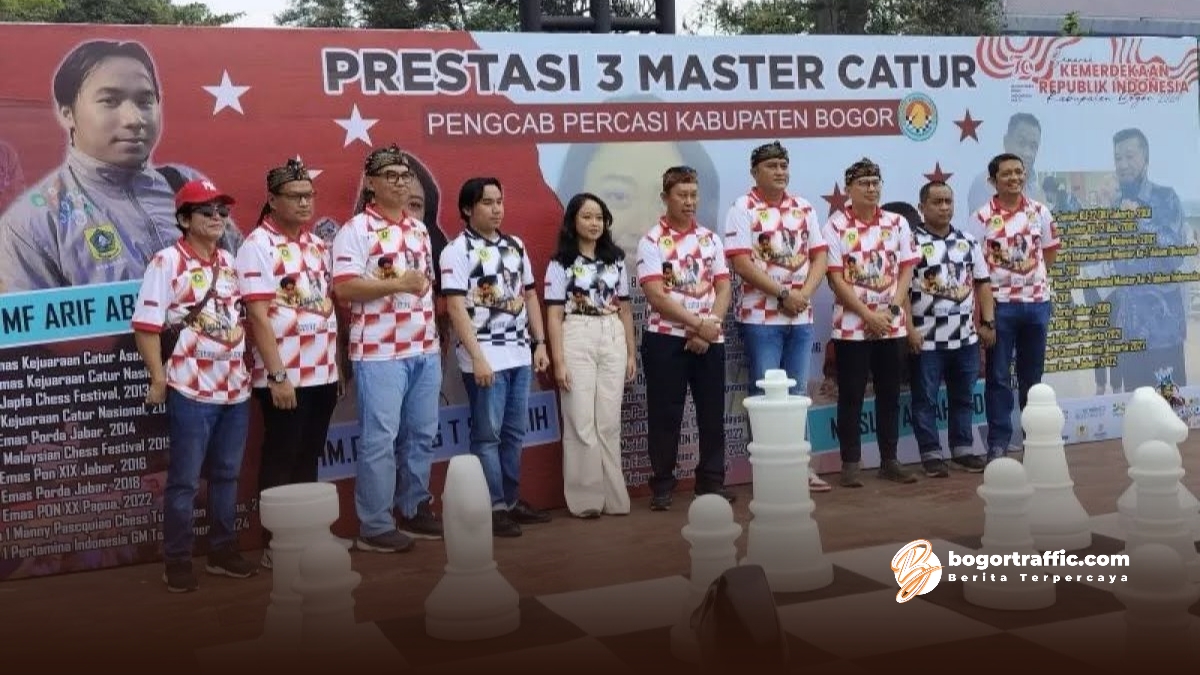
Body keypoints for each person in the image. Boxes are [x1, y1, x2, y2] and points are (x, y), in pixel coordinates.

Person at [0, 39, 241, 292]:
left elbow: (242, 278)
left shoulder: (185, 184)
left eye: (144, 101)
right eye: (110, 101)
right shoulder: (33, 223)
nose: (134, 119)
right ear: (67, 112)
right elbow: (30, 315)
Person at [130, 178, 256, 592]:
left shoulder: (229, 261)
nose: (218, 218)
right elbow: (146, 327)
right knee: (184, 480)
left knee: (226, 474)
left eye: (222, 211)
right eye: (207, 211)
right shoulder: (166, 261)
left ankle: (222, 551)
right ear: (184, 220)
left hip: (235, 388)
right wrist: (158, 377)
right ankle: (178, 560)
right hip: (190, 387)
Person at [332, 145, 445, 553]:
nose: (401, 182)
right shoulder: (356, 230)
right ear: (371, 184)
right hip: (379, 353)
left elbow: (426, 288)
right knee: (380, 439)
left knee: (422, 434)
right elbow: (344, 288)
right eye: (391, 175)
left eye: (405, 175)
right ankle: (375, 524)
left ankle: (413, 507)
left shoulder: (418, 230)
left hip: (424, 348)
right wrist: (397, 284)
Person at [234, 159, 345, 568]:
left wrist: (335, 365)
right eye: (295, 196)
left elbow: (326, 307)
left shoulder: (316, 244)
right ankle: (277, 543)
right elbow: (258, 317)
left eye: (309, 196)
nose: (304, 203)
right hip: (285, 375)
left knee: (309, 454)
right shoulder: (256, 246)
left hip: (322, 372)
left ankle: (308, 533)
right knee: (282, 456)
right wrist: (278, 375)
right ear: (272, 200)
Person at [440, 177, 552, 537]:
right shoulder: (457, 250)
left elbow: (530, 295)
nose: (497, 209)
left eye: (499, 201)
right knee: (487, 435)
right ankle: (494, 506)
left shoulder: (515, 245)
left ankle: (512, 499)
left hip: (519, 353)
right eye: (487, 202)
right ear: (467, 209)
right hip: (484, 356)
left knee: (514, 432)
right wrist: (477, 357)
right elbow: (455, 307)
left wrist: (540, 343)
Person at [722, 141, 830, 493]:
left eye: (783, 165)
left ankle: (800, 468)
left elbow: (820, 256)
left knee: (797, 393)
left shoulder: (804, 207)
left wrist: (802, 295)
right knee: (765, 394)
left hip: (800, 316)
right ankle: (768, 471)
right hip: (760, 318)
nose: (780, 171)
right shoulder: (742, 208)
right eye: (772, 166)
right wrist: (783, 294)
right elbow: (741, 263)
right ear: (755, 172)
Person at [636, 165, 733, 511]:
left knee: (712, 414)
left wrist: (711, 325)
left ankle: (711, 482)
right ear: (665, 197)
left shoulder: (710, 239)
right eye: (682, 195)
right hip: (666, 340)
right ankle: (663, 485)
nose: (689, 201)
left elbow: (723, 287)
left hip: (709, 337)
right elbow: (656, 295)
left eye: (693, 195)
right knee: (665, 415)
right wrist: (697, 325)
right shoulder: (651, 241)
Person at [823, 158, 919, 487]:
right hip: (852, 325)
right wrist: (867, 315)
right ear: (849, 188)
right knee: (851, 394)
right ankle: (850, 463)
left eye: (876, 182)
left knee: (889, 393)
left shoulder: (897, 223)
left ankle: (889, 460)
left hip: (891, 322)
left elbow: (906, 269)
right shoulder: (835, 226)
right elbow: (835, 278)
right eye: (863, 183)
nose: (871, 188)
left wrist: (891, 311)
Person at [544, 192, 636, 518]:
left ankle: (615, 499)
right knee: (581, 421)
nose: (594, 223)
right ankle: (586, 500)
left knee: (609, 423)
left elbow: (626, 309)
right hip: (576, 332)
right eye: (587, 217)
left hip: (612, 334)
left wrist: (631, 353)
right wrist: (559, 361)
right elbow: (554, 314)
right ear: (573, 221)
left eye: (599, 217)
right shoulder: (560, 264)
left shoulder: (616, 260)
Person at [972, 152, 1060, 462]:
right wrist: (985, 313)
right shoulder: (981, 217)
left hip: (1037, 305)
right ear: (993, 180)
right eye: (1006, 173)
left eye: (1018, 172)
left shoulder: (1040, 211)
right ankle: (998, 442)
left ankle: (1034, 439)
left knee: (1032, 377)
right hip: (1001, 307)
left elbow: (1049, 252)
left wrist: (1031, 281)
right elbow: (976, 266)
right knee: (998, 377)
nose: (1014, 178)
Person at [906, 181, 993, 477]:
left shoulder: (967, 241)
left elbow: (983, 284)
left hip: (965, 338)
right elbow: (900, 291)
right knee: (925, 400)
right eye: (937, 202)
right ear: (922, 207)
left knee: (964, 398)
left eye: (948, 201)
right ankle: (930, 453)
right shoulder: (910, 242)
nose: (944, 207)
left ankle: (962, 450)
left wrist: (987, 322)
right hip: (926, 339)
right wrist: (909, 329)